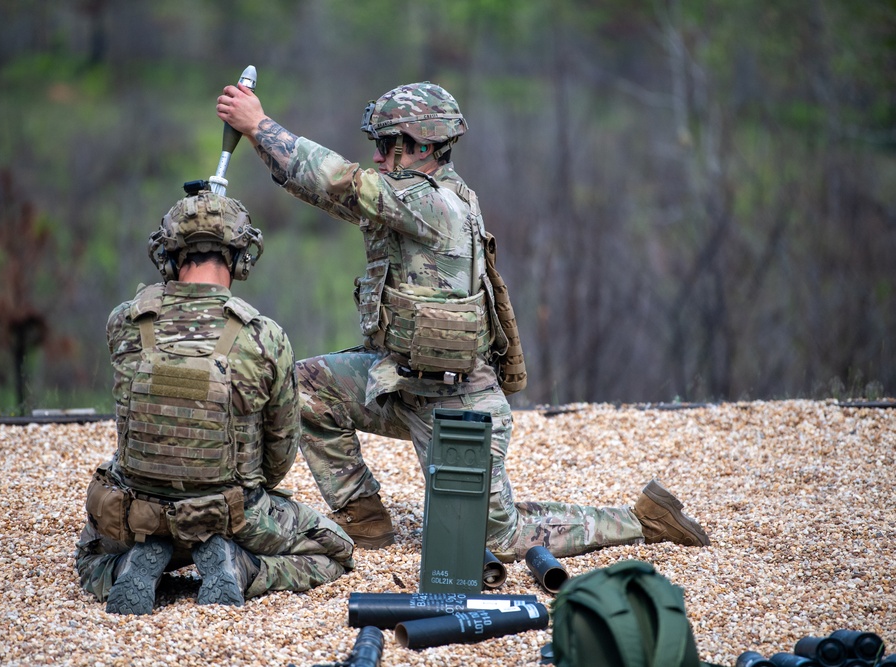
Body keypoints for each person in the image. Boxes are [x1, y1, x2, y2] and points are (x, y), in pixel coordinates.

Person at [215, 81, 710, 561]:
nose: (379, 158)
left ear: (424, 146)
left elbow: (339, 181)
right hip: (402, 385)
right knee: (308, 388)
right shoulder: (412, 199)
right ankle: (363, 517)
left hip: (458, 405)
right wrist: (262, 141)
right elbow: (328, 193)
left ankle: (641, 520)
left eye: (389, 147)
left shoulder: (434, 204)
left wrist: (260, 125)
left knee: (498, 539)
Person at [74, 185, 355, 615]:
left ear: (168, 255)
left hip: (138, 513)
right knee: (335, 550)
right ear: (242, 258)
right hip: (230, 512)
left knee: (90, 559)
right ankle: (240, 566)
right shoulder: (264, 336)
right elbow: (280, 453)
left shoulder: (125, 322)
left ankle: (136, 561)